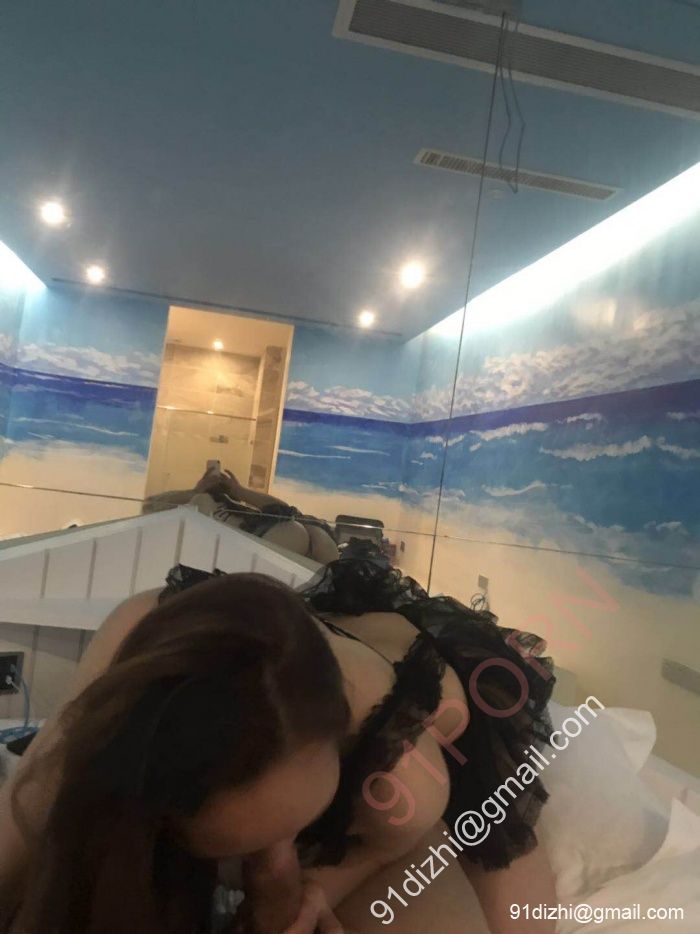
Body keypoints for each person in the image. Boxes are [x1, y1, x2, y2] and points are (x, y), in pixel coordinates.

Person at [0, 547, 557, 934]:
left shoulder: (403, 773)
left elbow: (385, 848)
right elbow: (32, 814)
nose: (263, 864)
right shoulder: (143, 638)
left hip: (451, 679)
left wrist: (316, 890)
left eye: (286, 835)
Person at [143, 465, 340, 565]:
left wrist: (239, 492)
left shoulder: (313, 535)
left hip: (248, 545)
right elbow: (149, 506)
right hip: (246, 542)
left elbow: (284, 510)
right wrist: (235, 492)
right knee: (200, 500)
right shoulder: (206, 501)